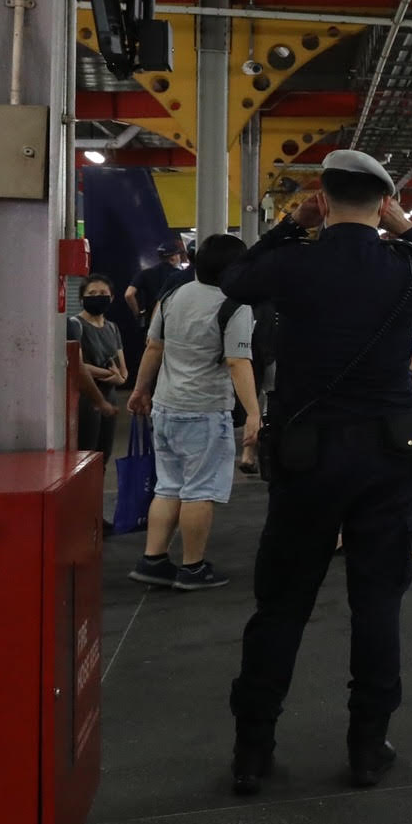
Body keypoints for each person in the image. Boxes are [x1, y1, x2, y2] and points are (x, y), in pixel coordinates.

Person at [221, 150, 412, 794]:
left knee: (280, 604)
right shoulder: (404, 268)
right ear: (383, 205)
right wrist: (410, 231)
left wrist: (288, 224)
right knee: (377, 602)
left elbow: (236, 279)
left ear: (324, 201)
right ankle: (367, 747)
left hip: (305, 456)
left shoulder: (294, 262)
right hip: (386, 457)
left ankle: (252, 749)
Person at [124, 236, 258, 591]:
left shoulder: (172, 296)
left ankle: (153, 560)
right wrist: (255, 414)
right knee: (199, 491)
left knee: (168, 486)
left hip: (167, 407)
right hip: (205, 409)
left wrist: (140, 390)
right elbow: (237, 361)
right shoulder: (235, 306)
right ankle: (193, 567)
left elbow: (153, 347)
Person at [70, 274, 127, 465]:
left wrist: (120, 377)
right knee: (84, 458)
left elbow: (122, 370)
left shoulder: (112, 328)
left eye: (103, 293)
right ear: (81, 299)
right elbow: (76, 365)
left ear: (111, 298)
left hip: (109, 397)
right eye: (91, 293)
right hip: (85, 400)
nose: (97, 296)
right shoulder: (75, 325)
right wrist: (110, 374)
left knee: (104, 455)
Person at [126, 235, 191, 323]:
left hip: (151, 320)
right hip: (172, 320)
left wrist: (138, 314)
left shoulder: (145, 273)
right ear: (172, 258)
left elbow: (129, 294)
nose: (179, 258)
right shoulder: (179, 275)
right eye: (178, 255)